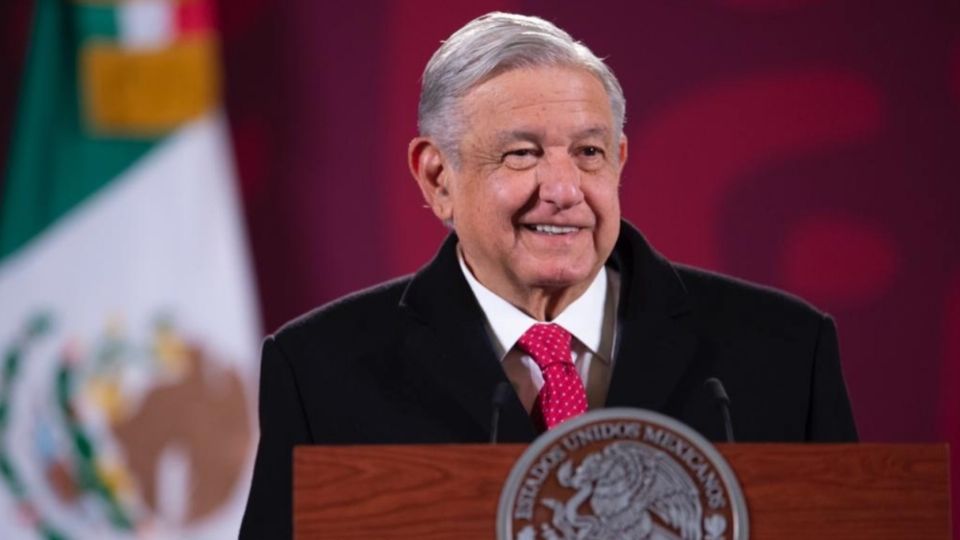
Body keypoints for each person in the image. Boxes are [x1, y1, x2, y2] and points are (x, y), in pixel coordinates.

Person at [239, 12, 857, 537]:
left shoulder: (782, 350)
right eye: (523, 154)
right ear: (437, 177)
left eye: (588, 153)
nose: (563, 191)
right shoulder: (321, 370)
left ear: (617, 161)